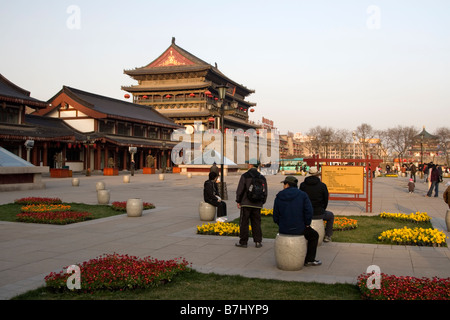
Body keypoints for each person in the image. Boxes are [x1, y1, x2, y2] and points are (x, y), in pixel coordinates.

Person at [273, 176, 321, 266]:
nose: (283, 186)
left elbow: (275, 214)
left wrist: (280, 223)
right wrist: (307, 224)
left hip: (283, 228)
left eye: (284, 184)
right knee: (314, 235)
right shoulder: (303, 195)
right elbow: (309, 211)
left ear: (287, 184)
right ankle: (309, 260)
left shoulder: (279, 195)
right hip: (300, 227)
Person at [235, 163, 267, 248]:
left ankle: (243, 242)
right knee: (256, 223)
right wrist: (262, 202)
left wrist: (238, 200)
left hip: (246, 203)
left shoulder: (245, 176)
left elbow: (240, 189)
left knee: (244, 223)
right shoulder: (262, 177)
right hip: (257, 204)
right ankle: (258, 241)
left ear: (250, 166)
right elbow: (265, 191)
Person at [299, 166, 334, 243]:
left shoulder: (303, 185)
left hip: (305, 213)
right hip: (319, 212)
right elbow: (326, 200)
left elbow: (300, 199)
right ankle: (327, 236)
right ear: (317, 175)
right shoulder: (322, 186)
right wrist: (322, 209)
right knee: (330, 216)